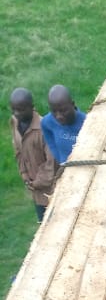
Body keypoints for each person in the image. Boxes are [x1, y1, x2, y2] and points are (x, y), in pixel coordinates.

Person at [9, 88, 57, 221]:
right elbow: (18, 150)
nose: (17, 113)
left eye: (21, 109)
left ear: (32, 107)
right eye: (14, 109)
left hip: (50, 189)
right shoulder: (14, 121)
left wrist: (37, 183)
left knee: (53, 222)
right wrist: (24, 174)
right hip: (34, 189)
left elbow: (51, 162)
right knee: (42, 222)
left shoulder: (44, 129)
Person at [40, 84, 86, 165]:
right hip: (66, 170)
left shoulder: (87, 123)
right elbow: (47, 131)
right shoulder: (48, 121)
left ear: (73, 104)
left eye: (63, 111)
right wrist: (59, 158)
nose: (58, 116)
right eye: (54, 111)